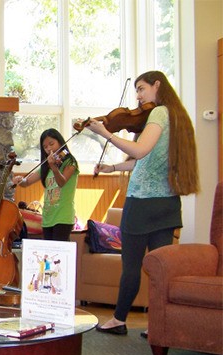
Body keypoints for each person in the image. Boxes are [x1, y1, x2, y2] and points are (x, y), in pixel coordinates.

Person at [83, 70, 200, 335]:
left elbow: (139, 150)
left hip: (142, 204)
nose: (138, 96)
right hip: (168, 204)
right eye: (136, 90)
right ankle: (160, 324)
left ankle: (118, 319)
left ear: (157, 85)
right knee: (160, 270)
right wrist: (113, 166)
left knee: (132, 266)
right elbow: (144, 160)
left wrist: (105, 132)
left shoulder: (158, 113)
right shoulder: (177, 117)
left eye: (142, 89)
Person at [13, 128, 79, 241]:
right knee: (48, 254)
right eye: (45, 147)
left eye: (51, 144)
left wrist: (53, 167)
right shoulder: (46, 166)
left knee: (58, 253)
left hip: (63, 216)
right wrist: (20, 180)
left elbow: (61, 182)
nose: (49, 148)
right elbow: (27, 182)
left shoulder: (70, 162)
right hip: (48, 217)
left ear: (60, 142)